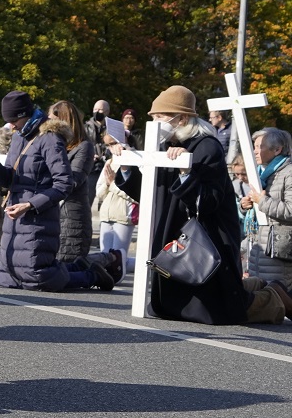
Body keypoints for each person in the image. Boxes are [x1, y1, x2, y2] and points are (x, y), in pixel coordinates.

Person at [111, 85, 285, 324]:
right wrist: (126, 165)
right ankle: (253, 286)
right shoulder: (163, 145)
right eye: (153, 118)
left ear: (181, 118)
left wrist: (185, 172)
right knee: (172, 306)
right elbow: (153, 193)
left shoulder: (207, 146)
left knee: (219, 309)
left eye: (160, 117)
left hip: (205, 237)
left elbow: (209, 201)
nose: (155, 123)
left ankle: (273, 298)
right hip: (172, 234)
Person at [0, 91, 115, 292]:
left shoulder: (50, 139)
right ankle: (78, 267)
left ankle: (91, 275)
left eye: (13, 120)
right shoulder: (19, 136)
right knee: (10, 275)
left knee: (38, 277)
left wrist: (31, 204)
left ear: (24, 115)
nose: (11, 125)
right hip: (15, 214)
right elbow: (10, 179)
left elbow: (64, 183)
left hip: (38, 217)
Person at [240, 129, 292, 289]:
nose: (254, 151)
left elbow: (290, 210)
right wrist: (245, 205)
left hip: (278, 250)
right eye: (254, 146)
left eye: (259, 146)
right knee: (261, 293)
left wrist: (261, 201)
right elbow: (257, 206)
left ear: (277, 149)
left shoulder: (288, 172)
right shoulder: (261, 174)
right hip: (259, 247)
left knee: (278, 296)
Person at [49, 100, 95, 263]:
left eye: (51, 121)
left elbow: (72, 181)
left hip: (70, 215)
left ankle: (108, 261)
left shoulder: (84, 147)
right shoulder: (50, 145)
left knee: (68, 265)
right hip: (51, 214)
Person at [95, 138, 138, 275]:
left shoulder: (136, 160)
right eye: (108, 145)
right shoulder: (109, 161)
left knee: (119, 259)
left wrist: (113, 184)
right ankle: (107, 280)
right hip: (106, 214)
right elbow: (99, 192)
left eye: (113, 144)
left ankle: (150, 265)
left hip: (123, 216)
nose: (110, 148)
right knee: (104, 257)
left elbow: (135, 194)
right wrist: (108, 184)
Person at [85, 99, 110, 177]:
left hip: (107, 167)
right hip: (90, 167)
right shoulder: (85, 128)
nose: (97, 112)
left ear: (107, 112)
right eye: (95, 109)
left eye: (100, 110)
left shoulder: (111, 128)